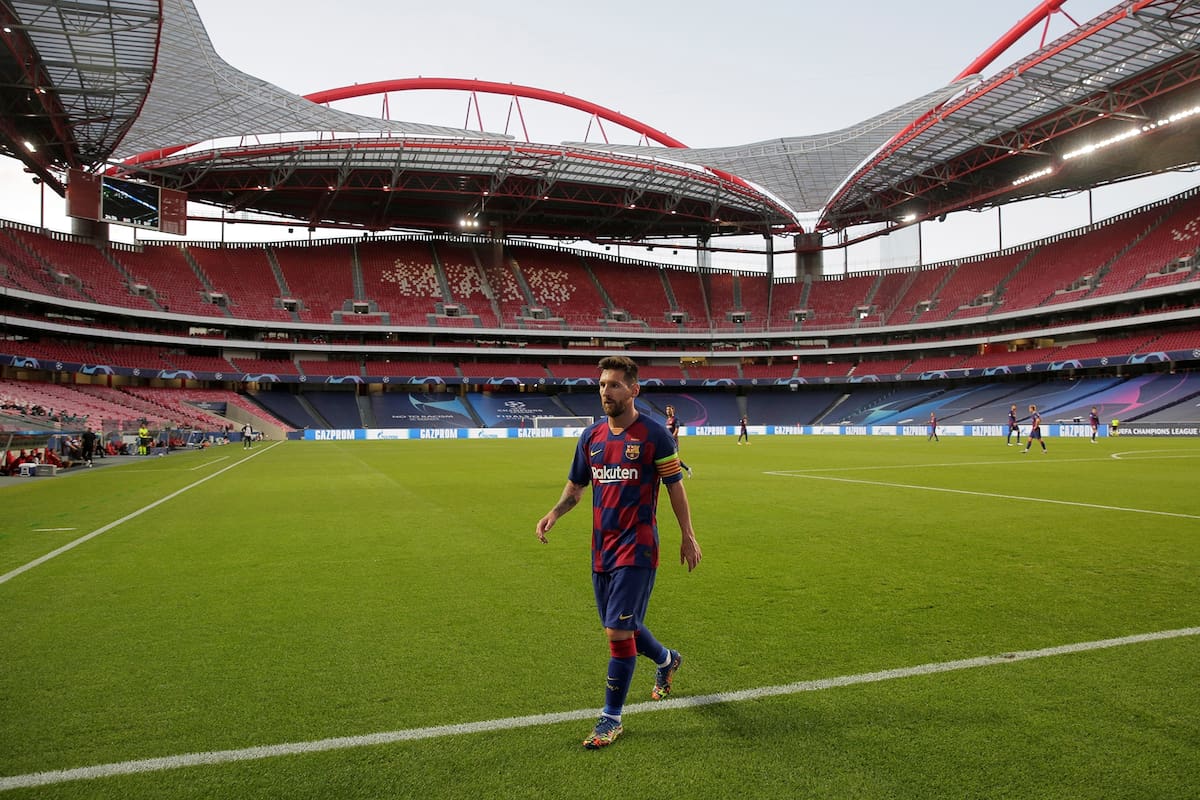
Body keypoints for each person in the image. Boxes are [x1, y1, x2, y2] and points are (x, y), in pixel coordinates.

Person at [536, 355, 702, 750]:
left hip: (638, 547)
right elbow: (576, 488)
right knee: (622, 625)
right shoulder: (591, 438)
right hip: (601, 549)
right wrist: (554, 513)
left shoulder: (655, 435)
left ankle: (610, 718)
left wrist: (687, 535)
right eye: (602, 384)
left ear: (633, 390)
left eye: (613, 385)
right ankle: (666, 660)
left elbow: (675, 486)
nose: (605, 391)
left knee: (616, 631)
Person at [664, 404, 693, 477]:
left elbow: (676, 430)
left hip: (673, 442)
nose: (667, 411)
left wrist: (671, 438)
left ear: (673, 410)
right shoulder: (667, 420)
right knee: (669, 458)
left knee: (672, 458)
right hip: (668, 442)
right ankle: (687, 469)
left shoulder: (675, 420)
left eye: (669, 410)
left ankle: (684, 470)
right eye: (667, 410)